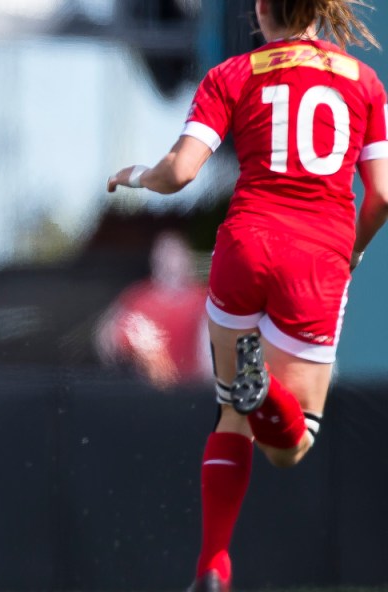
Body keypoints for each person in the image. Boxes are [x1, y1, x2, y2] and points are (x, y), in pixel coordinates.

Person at [108, 1, 388, 590]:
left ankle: (212, 564)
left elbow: (180, 172)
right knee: (290, 445)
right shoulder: (364, 82)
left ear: (261, 9)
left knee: (228, 414)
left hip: (245, 247)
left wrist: (134, 175)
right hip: (316, 260)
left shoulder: (232, 74)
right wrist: (354, 250)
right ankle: (267, 400)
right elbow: (382, 196)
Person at [94, 231, 211, 390]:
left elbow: (215, 352)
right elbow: (106, 338)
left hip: (194, 391)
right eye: (164, 254)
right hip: (148, 393)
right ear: (154, 259)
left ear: (186, 258)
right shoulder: (137, 298)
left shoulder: (204, 300)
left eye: (175, 254)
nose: (169, 260)